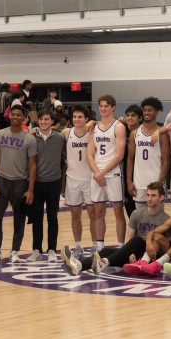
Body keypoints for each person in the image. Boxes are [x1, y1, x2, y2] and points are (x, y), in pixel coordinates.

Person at [62, 182, 171, 276]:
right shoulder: (137, 213)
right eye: (148, 195)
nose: (149, 199)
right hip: (134, 252)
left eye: (153, 196)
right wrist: (129, 253)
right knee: (106, 251)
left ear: (161, 198)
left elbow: (168, 247)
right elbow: (129, 238)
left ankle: (104, 262)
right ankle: (79, 266)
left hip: (151, 255)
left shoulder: (167, 220)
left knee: (137, 240)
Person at [0, 104, 37, 265]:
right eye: (13, 114)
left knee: (19, 219)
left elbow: (32, 165)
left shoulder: (29, 138)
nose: (15, 117)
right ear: (9, 116)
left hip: (20, 183)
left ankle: (15, 251)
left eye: (18, 115)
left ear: (24, 118)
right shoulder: (0, 134)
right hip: (1, 181)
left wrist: (30, 189)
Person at [122, 189, 171, 277]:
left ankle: (160, 263)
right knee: (156, 236)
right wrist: (148, 243)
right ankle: (144, 262)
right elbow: (152, 232)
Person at [87, 95, 127, 250]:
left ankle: (121, 245)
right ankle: (100, 245)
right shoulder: (93, 127)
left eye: (106, 106)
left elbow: (119, 155)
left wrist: (102, 173)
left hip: (112, 173)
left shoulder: (118, 126)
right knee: (98, 211)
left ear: (113, 107)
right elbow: (90, 154)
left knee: (118, 211)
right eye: (101, 106)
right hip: (97, 174)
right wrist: (97, 173)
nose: (103, 109)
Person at [27, 109, 65, 263]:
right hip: (36, 183)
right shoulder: (31, 138)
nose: (43, 122)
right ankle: (36, 250)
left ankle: (51, 250)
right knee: (37, 218)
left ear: (52, 121)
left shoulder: (60, 138)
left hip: (54, 183)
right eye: (41, 119)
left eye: (47, 119)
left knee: (52, 218)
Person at [62, 106, 96, 260]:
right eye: (74, 116)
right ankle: (78, 246)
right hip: (73, 179)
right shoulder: (66, 133)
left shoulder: (93, 132)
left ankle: (95, 245)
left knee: (92, 214)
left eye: (80, 117)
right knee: (75, 214)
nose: (76, 119)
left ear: (86, 118)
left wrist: (94, 122)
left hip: (90, 178)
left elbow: (103, 123)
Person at [126, 97, 170, 213]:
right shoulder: (134, 133)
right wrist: (129, 181)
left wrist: (160, 183)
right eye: (145, 110)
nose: (146, 113)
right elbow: (130, 159)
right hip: (139, 183)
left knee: (157, 218)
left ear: (156, 112)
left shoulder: (162, 134)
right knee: (140, 218)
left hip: (156, 181)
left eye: (149, 110)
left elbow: (166, 161)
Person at [122, 104, 142, 217]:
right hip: (126, 173)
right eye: (128, 115)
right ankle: (133, 233)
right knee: (129, 207)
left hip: (140, 173)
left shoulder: (144, 132)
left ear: (140, 118)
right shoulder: (122, 131)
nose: (130, 117)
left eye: (133, 115)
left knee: (141, 207)